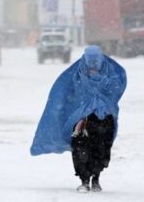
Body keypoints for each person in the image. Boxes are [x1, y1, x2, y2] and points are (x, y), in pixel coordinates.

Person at [30, 45, 127, 193]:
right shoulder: (77, 73)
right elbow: (65, 92)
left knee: (101, 149)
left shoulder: (110, 72)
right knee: (81, 149)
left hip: (104, 118)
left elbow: (116, 89)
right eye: (90, 60)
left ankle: (96, 178)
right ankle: (84, 179)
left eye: (96, 60)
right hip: (81, 118)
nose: (93, 64)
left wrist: (101, 81)